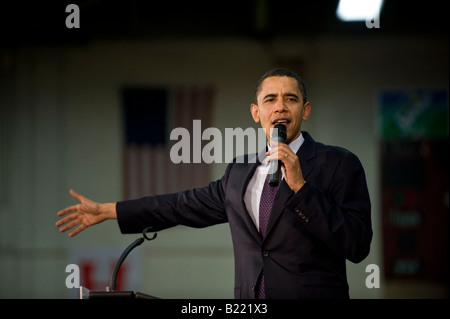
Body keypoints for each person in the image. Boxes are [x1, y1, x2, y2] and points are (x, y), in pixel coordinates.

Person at [56, 67, 372, 299]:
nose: (280, 106)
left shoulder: (339, 163)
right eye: (270, 99)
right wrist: (110, 210)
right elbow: (180, 205)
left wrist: (302, 187)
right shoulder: (239, 171)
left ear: (305, 110)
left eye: (291, 99)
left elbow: (357, 245)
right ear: (256, 112)